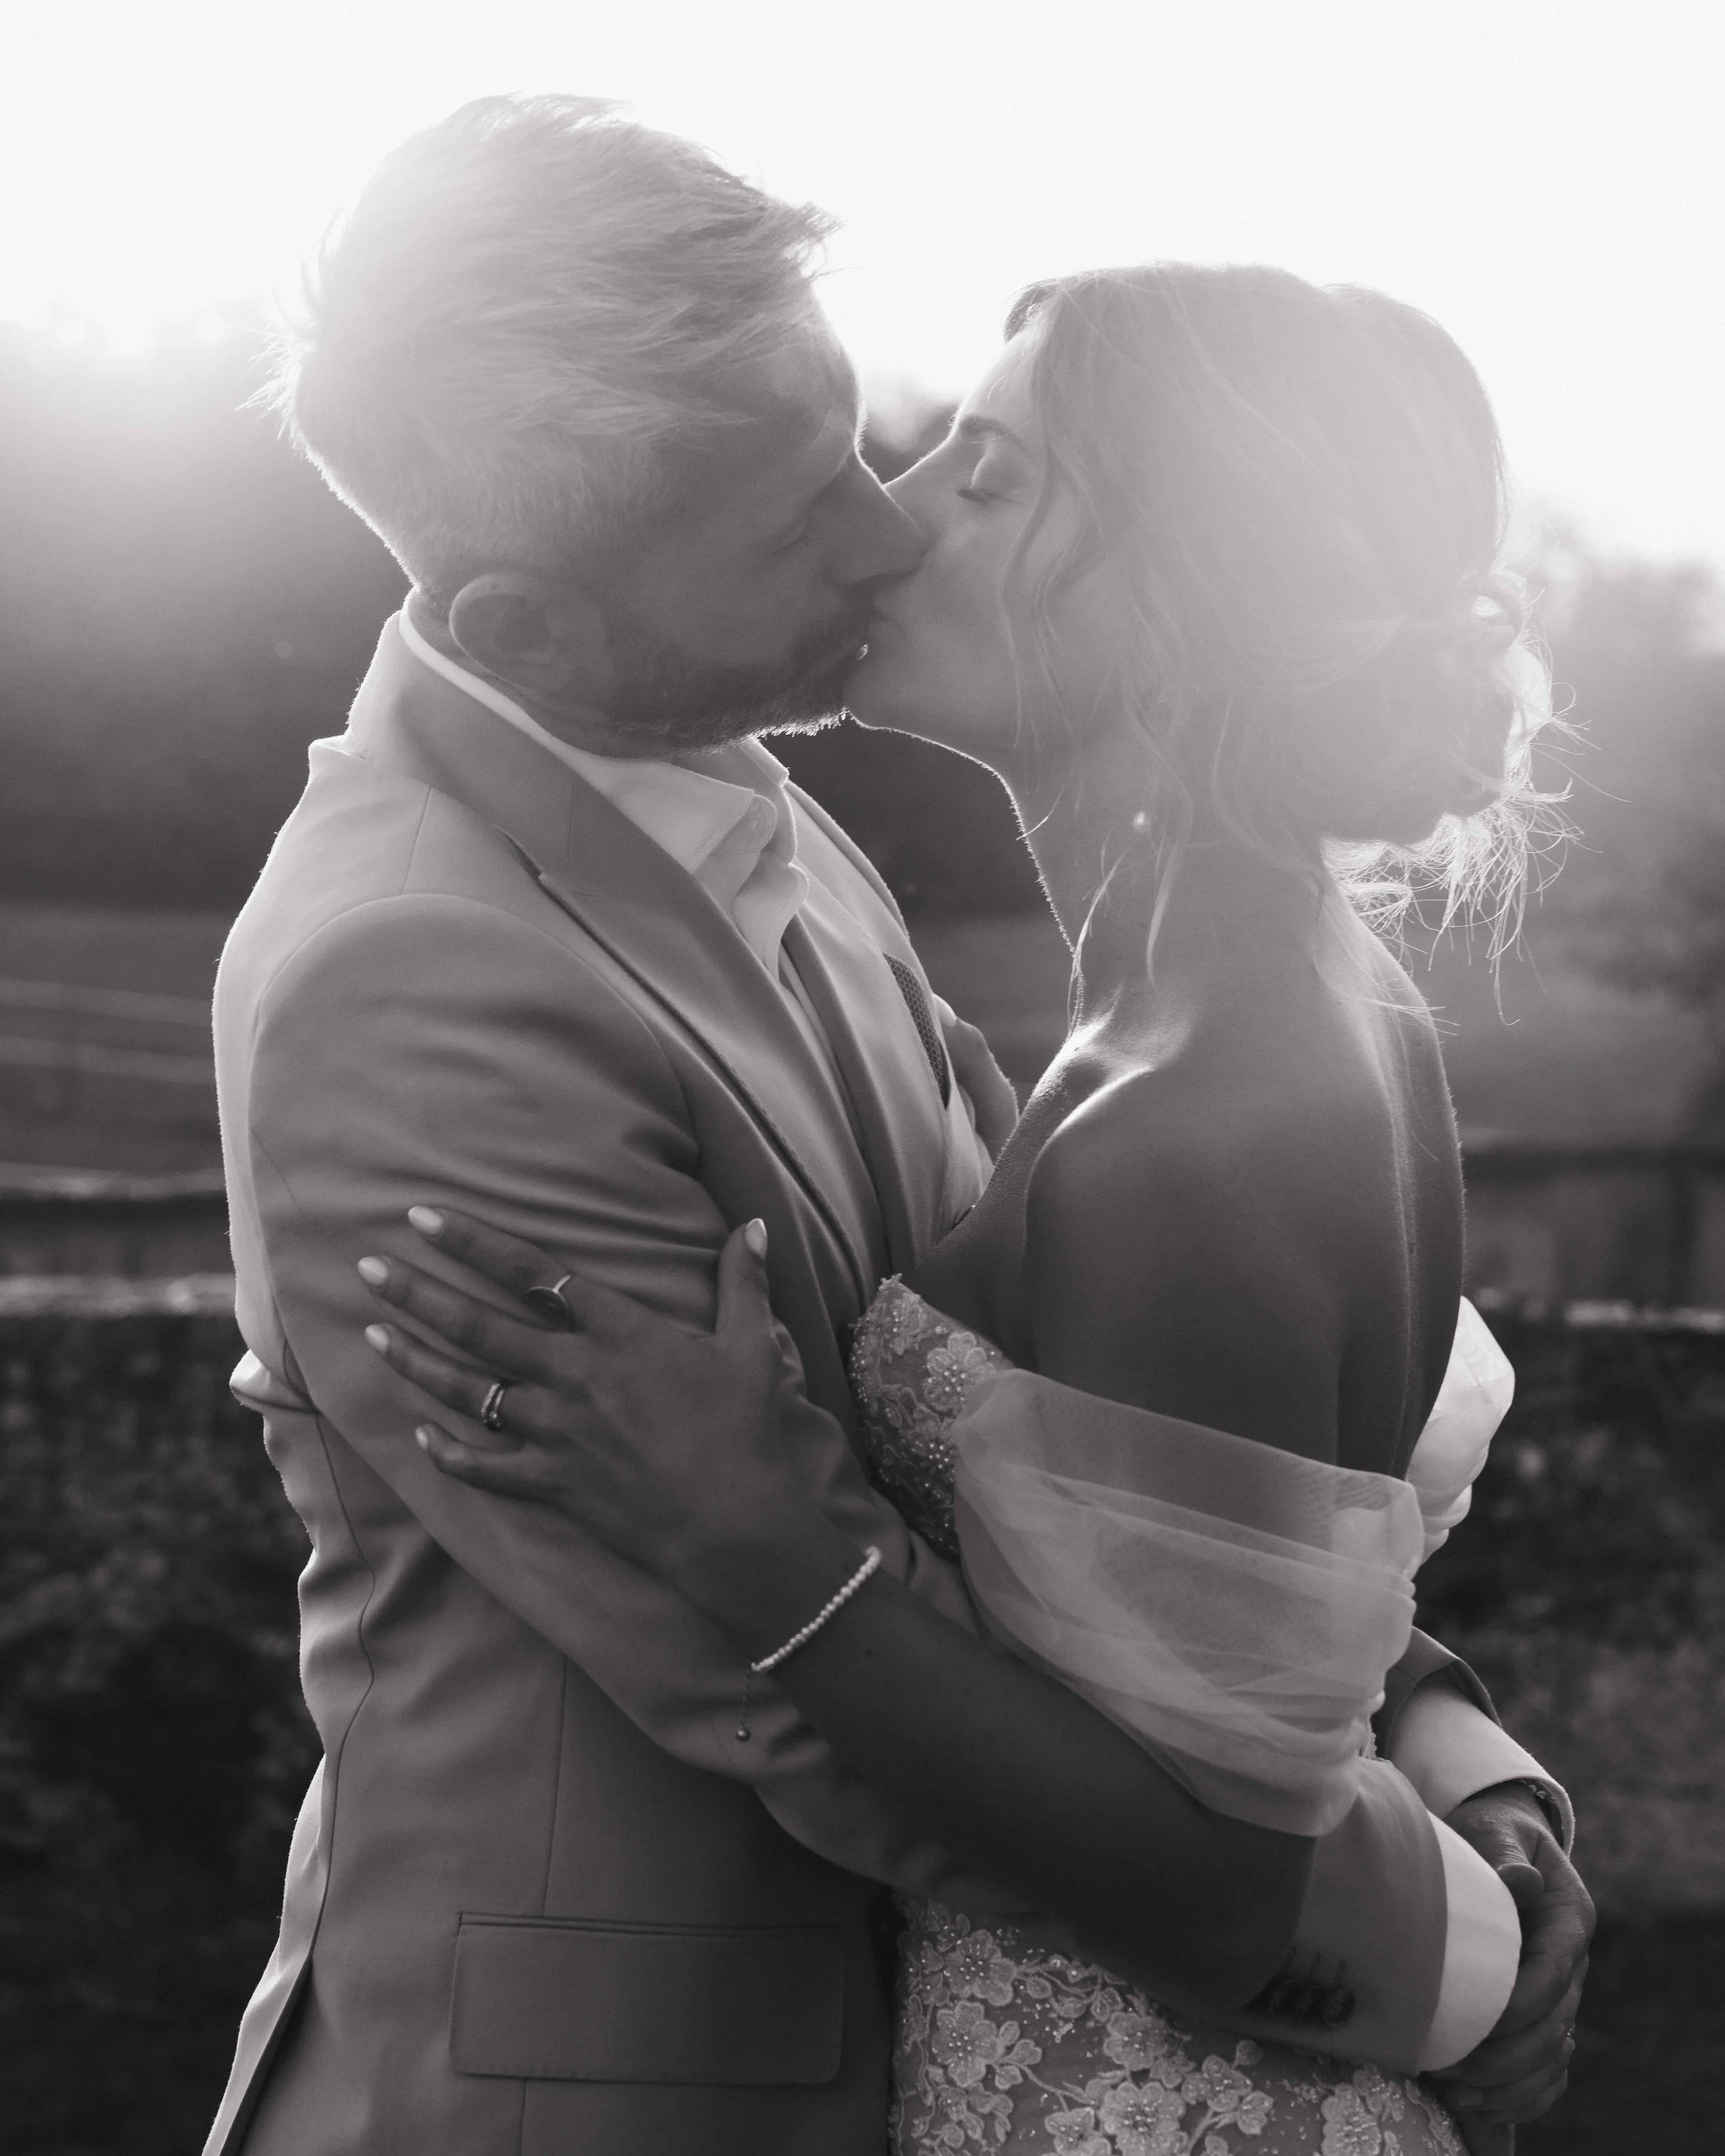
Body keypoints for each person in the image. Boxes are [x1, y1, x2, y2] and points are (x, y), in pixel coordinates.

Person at [206, 93, 1586, 2156]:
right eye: (793, 513)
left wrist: (1446, 1738)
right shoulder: (412, 983)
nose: (882, 526)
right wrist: (1447, 1951)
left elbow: (1144, 1496)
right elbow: (766, 1665)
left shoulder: (773, 813)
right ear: (525, 632)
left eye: (881, 436)